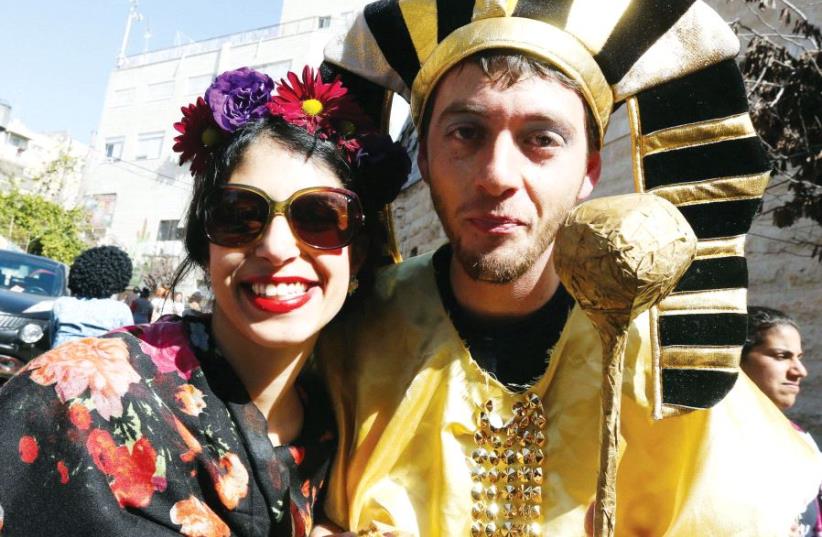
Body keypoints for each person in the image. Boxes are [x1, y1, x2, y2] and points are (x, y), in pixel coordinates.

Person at [314, 1, 822, 536]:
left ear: (590, 170)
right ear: (424, 159)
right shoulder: (346, 340)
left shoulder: (654, 359)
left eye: (541, 139)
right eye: (466, 133)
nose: (496, 176)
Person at [0, 65, 407, 536]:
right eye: (240, 215)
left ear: (356, 254)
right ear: (204, 245)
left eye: (319, 216)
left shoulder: (348, 435)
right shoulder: (75, 395)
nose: (277, 248)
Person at [742, 306, 821, 537]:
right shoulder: (706, 445)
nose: (800, 371)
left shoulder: (802, 443)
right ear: (737, 360)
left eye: (799, 357)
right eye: (781, 356)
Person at [49, 245, 134, 348]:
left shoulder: (62, 304)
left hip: (60, 360)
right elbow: (128, 346)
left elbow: (52, 338)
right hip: (100, 362)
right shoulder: (121, 310)